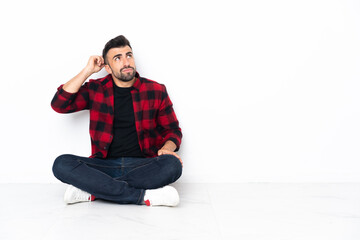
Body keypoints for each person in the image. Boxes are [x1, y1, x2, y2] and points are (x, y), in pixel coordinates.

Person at [51, 35, 183, 207]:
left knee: (173, 165)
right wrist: (87, 71)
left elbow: (173, 131)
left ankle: (94, 190)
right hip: (103, 165)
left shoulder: (155, 90)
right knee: (61, 163)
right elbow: (60, 104)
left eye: (129, 55)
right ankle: (142, 196)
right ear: (107, 67)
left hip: (143, 165)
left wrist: (167, 148)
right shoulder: (96, 89)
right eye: (117, 58)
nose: (126, 62)